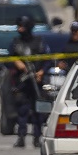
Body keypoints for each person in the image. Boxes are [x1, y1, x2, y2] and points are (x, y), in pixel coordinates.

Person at [7, 15, 50, 148]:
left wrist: (41, 72)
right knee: (22, 110)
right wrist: (17, 63)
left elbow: (47, 59)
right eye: (18, 26)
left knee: (38, 110)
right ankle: (21, 137)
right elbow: (8, 59)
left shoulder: (39, 42)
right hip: (22, 82)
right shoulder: (16, 43)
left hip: (36, 81)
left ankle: (37, 137)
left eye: (22, 26)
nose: (19, 29)